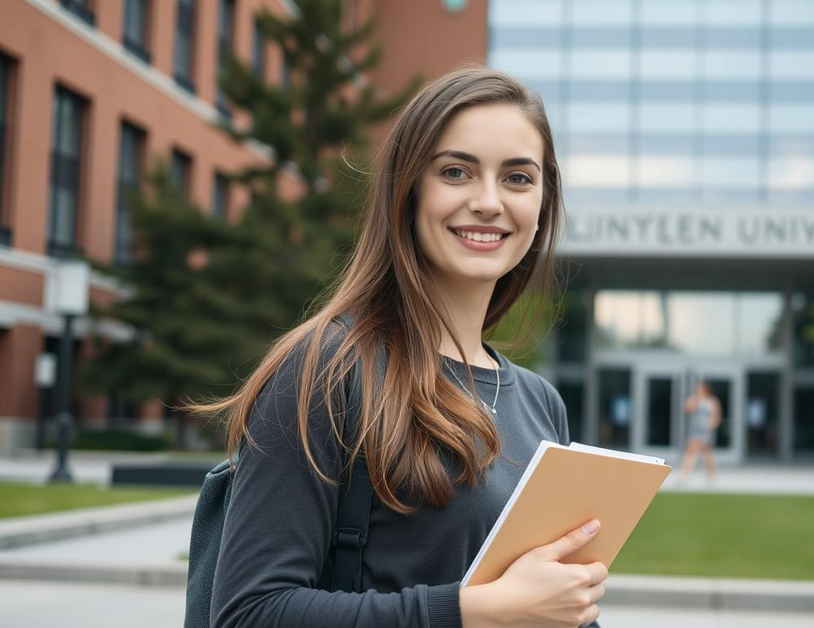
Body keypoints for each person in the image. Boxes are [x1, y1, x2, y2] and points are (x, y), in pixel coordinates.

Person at [183, 67, 604, 628]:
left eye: (518, 178)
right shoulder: (325, 369)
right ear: (408, 190)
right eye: (456, 172)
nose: (488, 201)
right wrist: (469, 611)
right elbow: (248, 613)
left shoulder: (540, 402)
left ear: (543, 201)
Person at [676, 380, 721, 484]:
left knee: (707, 455)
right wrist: (696, 400)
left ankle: (711, 477)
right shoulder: (694, 399)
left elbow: (716, 416)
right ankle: (683, 476)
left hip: (706, 432)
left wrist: (711, 425)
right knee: (690, 453)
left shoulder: (712, 401)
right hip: (695, 431)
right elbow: (687, 408)